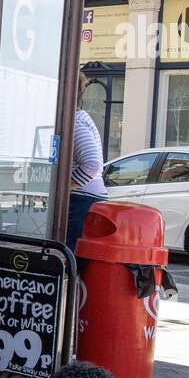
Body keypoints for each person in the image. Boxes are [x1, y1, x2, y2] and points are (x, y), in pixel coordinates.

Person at [68, 78, 108, 252]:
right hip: (87, 198)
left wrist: (64, 187)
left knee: (69, 258)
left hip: (81, 200)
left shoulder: (75, 123)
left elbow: (92, 163)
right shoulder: (79, 120)